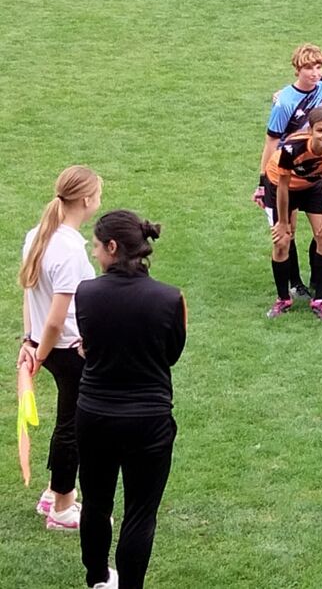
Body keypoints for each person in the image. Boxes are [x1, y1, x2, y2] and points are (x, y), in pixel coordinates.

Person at [75, 210, 187, 589]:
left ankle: (96, 579)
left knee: (95, 503)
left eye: (95, 246)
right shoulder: (171, 298)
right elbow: (171, 353)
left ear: (112, 247)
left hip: (94, 416)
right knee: (140, 514)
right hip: (149, 420)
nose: (93, 253)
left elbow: (91, 344)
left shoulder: (86, 293)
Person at [18, 165, 103, 532]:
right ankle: (64, 507)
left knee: (68, 419)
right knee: (75, 426)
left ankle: (54, 492)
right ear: (86, 200)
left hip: (49, 345)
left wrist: (30, 341)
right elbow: (56, 318)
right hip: (70, 349)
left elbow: (28, 294)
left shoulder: (37, 235)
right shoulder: (70, 251)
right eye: (98, 194)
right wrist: (41, 349)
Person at [256, 43, 322, 298]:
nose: (315, 73)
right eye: (309, 67)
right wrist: (262, 181)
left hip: (315, 172)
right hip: (286, 171)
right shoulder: (284, 102)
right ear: (297, 68)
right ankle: (295, 283)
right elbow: (271, 141)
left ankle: (318, 281)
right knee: (287, 231)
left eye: (318, 67)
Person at [264, 106, 322, 321]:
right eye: (320, 131)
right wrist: (283, 222)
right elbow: (282, 186)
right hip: (281, 186)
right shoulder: (292, 148)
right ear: (311, 130)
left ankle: (320, 300)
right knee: (282, 241)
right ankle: (283, 298)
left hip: (313, 185)